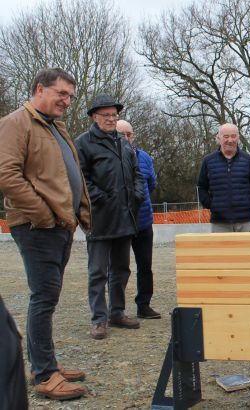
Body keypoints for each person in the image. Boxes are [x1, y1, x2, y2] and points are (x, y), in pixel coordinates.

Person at [0, 68, 91, 400]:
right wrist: (42, 214)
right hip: (38, 226)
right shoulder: (16, 123)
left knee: (48, 298)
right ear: (40, 89)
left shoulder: (55, 127)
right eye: (61, 93)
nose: (67, 101)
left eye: (70, 95)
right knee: (43, 297)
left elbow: (67, 173)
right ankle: (44, 374)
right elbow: (7, 174)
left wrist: (74, 212)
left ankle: (48, 363)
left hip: (58, 225)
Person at [75, 94, 145, 340]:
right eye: (106, 115)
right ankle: (99, 319)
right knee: (97, 272)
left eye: (114, 115)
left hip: (125, 218)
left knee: (121, 269)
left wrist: (137, 194)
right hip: (100, 218)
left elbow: (136, 172)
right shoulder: (83, 143)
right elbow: (80, 177)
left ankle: (117, 312)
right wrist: (100, 197)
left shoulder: (124, 143)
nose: (111, 119)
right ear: (94, 117)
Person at [116, 120, 161, 319]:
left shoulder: (145, 158)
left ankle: (144, 305)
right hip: (120, 223)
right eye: (121, 134)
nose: (126, 138)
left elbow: (151, 184)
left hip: (143, 222)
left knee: (145, 266)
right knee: (119, 268)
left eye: (129, 134)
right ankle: (117, 309)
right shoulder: (109, 158)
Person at [197, 123, 250, 232]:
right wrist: (212, 204)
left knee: (248, 250)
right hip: (219, 222)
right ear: (218, 138)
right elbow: (201, 186)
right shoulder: (208, 161)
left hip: (245, 221)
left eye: (233, 136)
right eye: (226, 136)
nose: (230, 140)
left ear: (238, 138)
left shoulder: (247, 160)